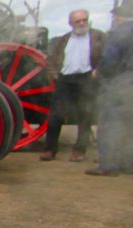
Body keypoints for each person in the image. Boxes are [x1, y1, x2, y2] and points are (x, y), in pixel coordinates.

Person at [86, 0, 133, 177]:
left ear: (119, 17)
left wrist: (99, 73)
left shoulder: (119, 32)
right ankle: (127, 164)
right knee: (131, 124)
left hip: (120, 81)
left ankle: (108, 165)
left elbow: (110, 60)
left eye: (114, 17)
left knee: (110, 123)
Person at [40, 9, 105, 162]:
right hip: (65, 79)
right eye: (78, 21)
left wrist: (98, 71)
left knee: (85, 115)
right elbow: (50, 59)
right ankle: (49, 149)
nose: (82, 23)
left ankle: (79, 151)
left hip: (86, 78)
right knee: (55, 115)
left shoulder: (99, 37)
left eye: (84, 20)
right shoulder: (63, 39)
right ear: (71, 23)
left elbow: (107, 57)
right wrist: (56, 75)